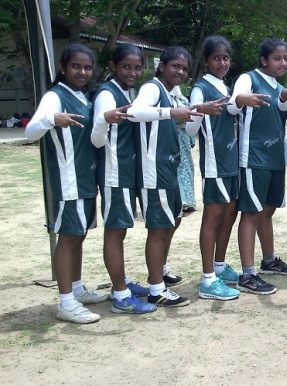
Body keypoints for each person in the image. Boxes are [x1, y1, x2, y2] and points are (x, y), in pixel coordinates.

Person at [26, 43, 109, 323]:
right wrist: (52, 118)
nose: (82, 72)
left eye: (87, 67)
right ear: (63, 68)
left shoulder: (84, 97)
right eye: (76, 66)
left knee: (80, 235)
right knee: (69, 237)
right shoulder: (55, 96)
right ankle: (65, 303)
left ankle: (75, 289)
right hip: (69, 180)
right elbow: (31, 130)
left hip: (86, 178)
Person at [129, 46, 210, 307]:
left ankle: (160, 270)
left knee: (172, 220)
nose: (181, 72)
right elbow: (134, 112)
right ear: (161, 65)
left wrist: (199, 111)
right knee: (158, 227)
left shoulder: (174, 94)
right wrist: (170, 113)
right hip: (154, 169)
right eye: (175, 65)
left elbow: (187, 131)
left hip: (170, 167)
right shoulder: (152, 89)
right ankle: (156, 289)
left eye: (185, 68)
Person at [232, 38, 287, 294]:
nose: (283, 63)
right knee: (251, 214)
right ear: (264, 60)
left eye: (286, 58)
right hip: (253, 160)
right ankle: (247, 274)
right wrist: (243, 98)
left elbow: (280, 126)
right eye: (277, 58)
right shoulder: (249, 79)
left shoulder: (280, 88)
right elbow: (235, 101)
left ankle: (269, 260)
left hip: (275, 160)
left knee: (267, 212)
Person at [91, 43, 157, 314]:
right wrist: (104, 120)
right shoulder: (107, 94)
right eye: (126, 67)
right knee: (115, 233)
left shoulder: (125, 92)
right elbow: (96, 139)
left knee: (122, 232)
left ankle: (123, 283)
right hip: (113, 173)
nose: (132, 72)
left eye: (137, 67)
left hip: (127, 172)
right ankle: (120, 296)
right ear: (113, 66)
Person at [185, 36, 244, 301]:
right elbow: (189, 128)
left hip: (231, 162)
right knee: (213, 217)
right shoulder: (201, 88)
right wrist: (200, 111)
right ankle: (208, 280)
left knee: (230, 214)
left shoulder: (225, 86)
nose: (222, 63)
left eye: (226, 58)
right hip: (214, 164)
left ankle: (219, 267)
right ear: (206, 61)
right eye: (217, 58)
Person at [172, 86, 196, 213]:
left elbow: (191, 119)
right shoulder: (168, 102)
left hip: (184, 138)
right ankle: (179, 201)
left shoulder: (183, 101)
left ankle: (188, 200)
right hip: (171, 137)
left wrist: (191, 139)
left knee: (186, 167)